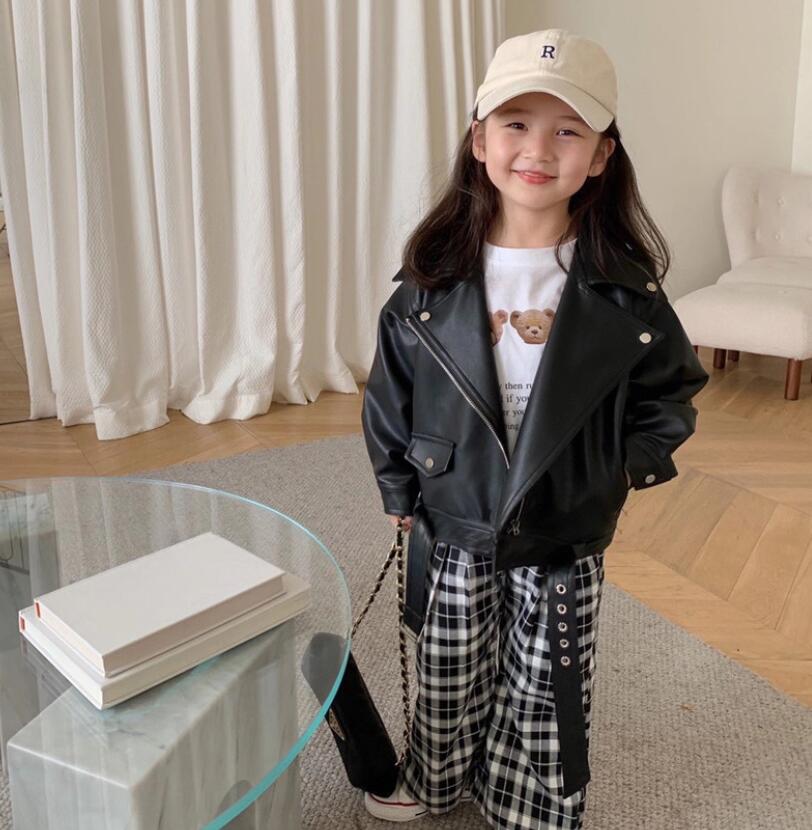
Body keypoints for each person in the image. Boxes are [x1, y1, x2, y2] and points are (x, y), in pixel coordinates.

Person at [360, 28, 709, 829]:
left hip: (563, 526)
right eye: (516, 123)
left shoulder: (625, 294)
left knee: (549, 678)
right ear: (480, 140)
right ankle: (437, 775)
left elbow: (673, 392)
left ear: (601, 156)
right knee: (448, 662)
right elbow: (390, 396)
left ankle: (531, 804)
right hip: (456, 514)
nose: (539, 149)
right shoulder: (429, 284)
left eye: (567, 130)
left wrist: (620, 469)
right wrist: (398, 487)